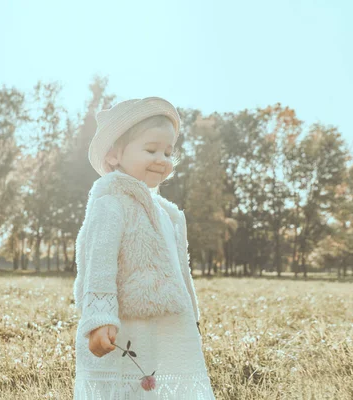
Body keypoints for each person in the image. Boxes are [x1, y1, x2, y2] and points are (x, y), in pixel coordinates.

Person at [73, 97, 216, 399]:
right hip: (126, 324)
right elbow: (98, 262)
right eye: (151, 150)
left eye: (168, 152)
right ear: (113, 156)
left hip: (168, 322)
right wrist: (100, 317)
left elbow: (181, 270)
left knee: (158, 387)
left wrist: (192, 316)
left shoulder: (169, 214)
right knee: (128, 386)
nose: (162, 159)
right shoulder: (111, 204)